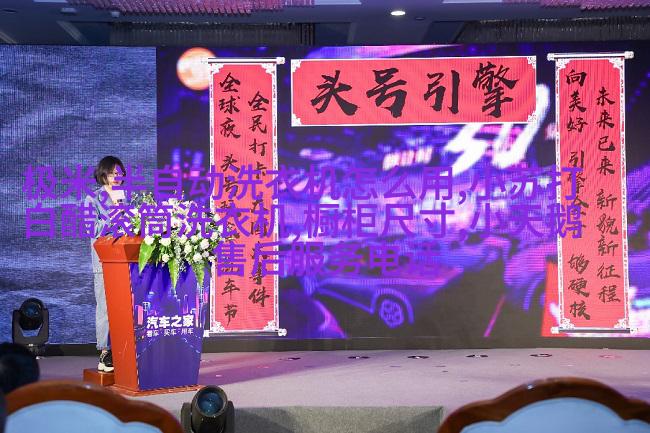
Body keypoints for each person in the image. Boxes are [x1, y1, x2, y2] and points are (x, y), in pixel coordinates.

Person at [84, 156, 127, 373]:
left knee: (123, 308)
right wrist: (114, 215)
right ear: (103, 174)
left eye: (119, 173)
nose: (116, 177)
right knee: (105, 308)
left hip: (124, 261)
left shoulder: (124, 197)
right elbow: (92, 229)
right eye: (112, 173)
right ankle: (104, 353)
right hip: (103, 262)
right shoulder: (91, 198)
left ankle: (123, 351)